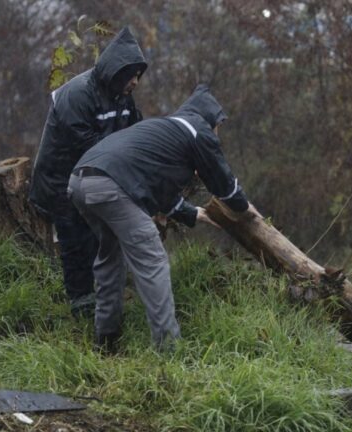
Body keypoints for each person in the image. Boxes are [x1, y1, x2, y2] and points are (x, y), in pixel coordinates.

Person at [68, 84, 258, 353]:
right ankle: (169, 348)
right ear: (211, 120)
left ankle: (106, 341)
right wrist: (244, 210)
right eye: (218, 128)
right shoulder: (197, 130)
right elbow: (223, 183)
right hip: (110, 184)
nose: (217, 135)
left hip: (80, 181)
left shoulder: (163, 131)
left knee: (110, 257)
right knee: (152, 260)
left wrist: (194, 213)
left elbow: (157, 189)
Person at [29, 28, 148, 318]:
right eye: (131, 74)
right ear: (115, 70)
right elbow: (90, 148)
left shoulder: (122, 96)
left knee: (97, 238)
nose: (135, 81)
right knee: (75, 242)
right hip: (61, 179)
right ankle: (80, 306)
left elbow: (134, 133)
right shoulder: (76, 95)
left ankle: (101, 299)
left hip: (94, 178)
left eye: (138, 75)